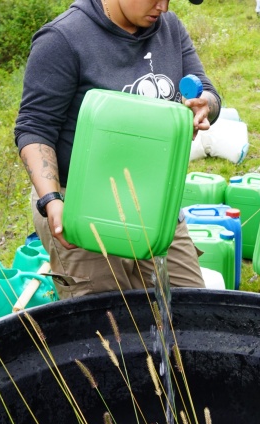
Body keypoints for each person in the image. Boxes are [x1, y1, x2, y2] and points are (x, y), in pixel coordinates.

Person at [14, 0, 220, 299]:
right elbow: (34, 127)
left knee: (187, 310)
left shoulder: (169, 28)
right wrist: (51, 199)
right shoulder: (62, 39)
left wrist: (206, 106)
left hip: (155, 198)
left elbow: (207, 91)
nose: (163, 6)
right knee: (109, 328)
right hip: (84, 204)